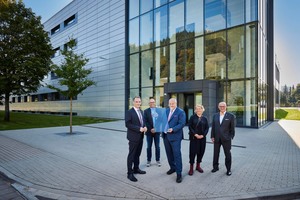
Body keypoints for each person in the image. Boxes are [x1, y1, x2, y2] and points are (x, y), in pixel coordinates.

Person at [163, 98, 186, 183]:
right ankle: (172, 168)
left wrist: (173, 129)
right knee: (169, 154)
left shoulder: (180, 112)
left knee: (177, 155)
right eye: (170, 103)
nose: (171, 105)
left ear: (176, 103)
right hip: (166, 136)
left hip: (175, 137)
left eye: (173, 103)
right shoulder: (166, 111)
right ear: (168, 104)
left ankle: (179, 173)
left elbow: (182, 124)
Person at [125, 96, 147, 182]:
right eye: (136, 101)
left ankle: (136, 168)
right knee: (132, 155)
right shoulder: (129, 112)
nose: (138, 103)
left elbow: (143, 122)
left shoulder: (141, 111)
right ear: (133, 102)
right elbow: (128, 124)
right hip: (133, 137)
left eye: (139, 102)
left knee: (137, 154)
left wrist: (145, 127)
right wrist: (139, 129)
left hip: (141, 136)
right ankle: (129, 173)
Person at [211, 102, 235, 176]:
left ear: (226, 106)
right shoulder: (215, 115)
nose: (222, 107)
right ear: (218, 107)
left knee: (227, 154)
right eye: (220, 106)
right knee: (215, 154)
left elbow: (232, 128)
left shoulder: (231, 116)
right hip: (217, 138)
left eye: (223, 106)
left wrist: (230, 137)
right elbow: (213, 127)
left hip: (226, 139)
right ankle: (215, 167)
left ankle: (228, 169)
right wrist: (212, 136)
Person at [187, 104, 209, 176]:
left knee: (201, 152)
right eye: (197, 109)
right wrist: (195, 134)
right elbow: (190, 127)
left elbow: (207, 128)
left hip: (202, 139)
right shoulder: (192, 117)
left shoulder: (205, 118)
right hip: (194, 138)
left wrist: (203, 135)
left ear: (203, 109)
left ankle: (198, 166)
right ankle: (191, 167)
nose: (198, 110)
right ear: (195, 110)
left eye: (200, 109)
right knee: (192, 153)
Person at [144, 98, 161, 167]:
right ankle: (148, 160)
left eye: (153, 102)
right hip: (149, 132)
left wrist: (156, 128)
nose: (152, 103)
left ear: (155, 102)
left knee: (157, 147)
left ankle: (157, 160)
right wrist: (151, 129)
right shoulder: (146, 111)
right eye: (150, 102)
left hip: (157, 132)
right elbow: (145, 121)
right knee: (149, 147)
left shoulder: (159, 111)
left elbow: (160, 120)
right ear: (149, 103)